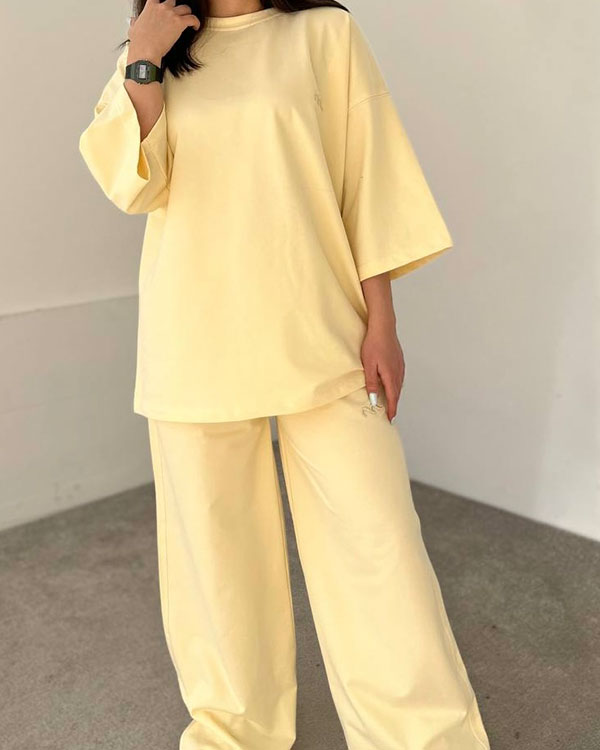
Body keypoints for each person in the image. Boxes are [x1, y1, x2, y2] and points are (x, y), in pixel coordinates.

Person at [78, 1, 491, 748]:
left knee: (379, 551)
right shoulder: (158, 49)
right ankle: (235, 734)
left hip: (321, 330)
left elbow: (368, 180)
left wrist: (383, 322)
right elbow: (132, 185)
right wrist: (143, 57)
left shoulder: (324, 34)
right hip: (194, 338)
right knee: (218, 566)